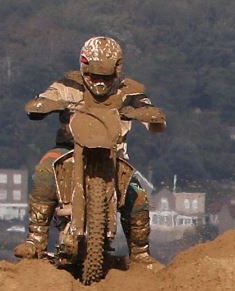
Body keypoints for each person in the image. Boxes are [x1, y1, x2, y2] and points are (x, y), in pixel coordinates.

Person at [14, 36, 166, 265]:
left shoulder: (130, 90)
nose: (100, 82)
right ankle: (35, 240)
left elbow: (150, 112)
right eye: (94, 76)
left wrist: (151, 116)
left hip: (115, 154)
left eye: (105, 77)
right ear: (83, 67)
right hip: (68, 149)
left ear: (117, 70)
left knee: (138, 195)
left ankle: (140, 253)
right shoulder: (68, 84)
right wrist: (42, 106)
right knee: (44, 171)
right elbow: (46, 98)